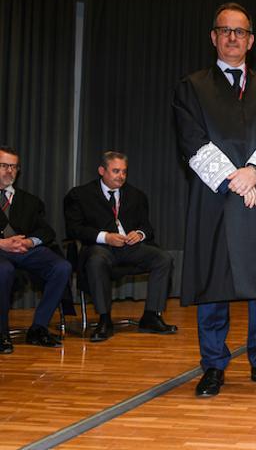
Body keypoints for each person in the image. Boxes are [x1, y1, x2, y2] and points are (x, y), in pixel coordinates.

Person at [173, 2, 256, 398]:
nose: (232, 37)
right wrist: (232, 178)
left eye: (239, 32)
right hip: (215, 197)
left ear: (251, 40)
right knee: (215, 282)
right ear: (214, 37)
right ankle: (213, 366)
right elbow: (190, 139)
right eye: (224, 30)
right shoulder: (191, 87)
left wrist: (253, 173)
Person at [64, 151, 176, 343]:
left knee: (163, 258)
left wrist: (139, 234)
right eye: (116, 171)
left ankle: (151, 316)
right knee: (97, 261)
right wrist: (105, 237)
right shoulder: (80, 195)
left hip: (130, 247)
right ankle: (104, 319)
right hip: (100, 248)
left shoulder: (136, 195)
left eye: (124, 172)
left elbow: (147, 227)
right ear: (102, 171)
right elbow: (74, 229)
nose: (121, 176)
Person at [0, 146, 72, 353]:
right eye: (4, 166)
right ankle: (1, 333)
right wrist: (2, 243)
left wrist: (30, 242)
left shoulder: (29, 200)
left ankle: (38, 328)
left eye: (14, 167)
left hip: (24, 250)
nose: (9, 171)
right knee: (4, 270)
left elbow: (46, 231)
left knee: (62, 267)